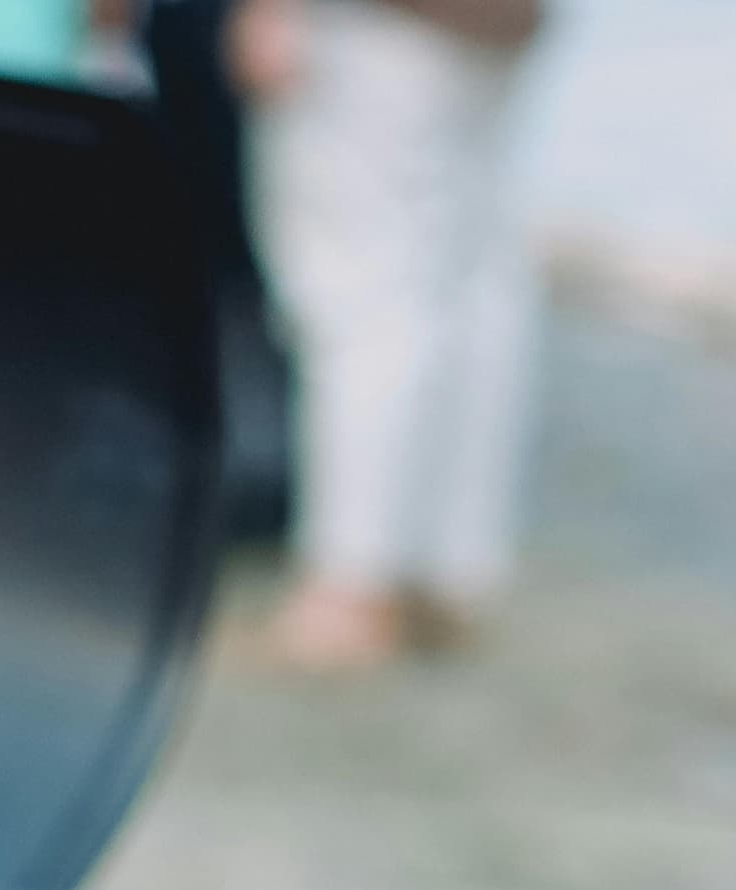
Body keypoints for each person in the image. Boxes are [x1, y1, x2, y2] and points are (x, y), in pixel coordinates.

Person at [234, 0, 550, 668]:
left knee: (361, 289)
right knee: (470, 273)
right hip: (497, 22)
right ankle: (447, 572)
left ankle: (352, 589)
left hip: (375, 27)